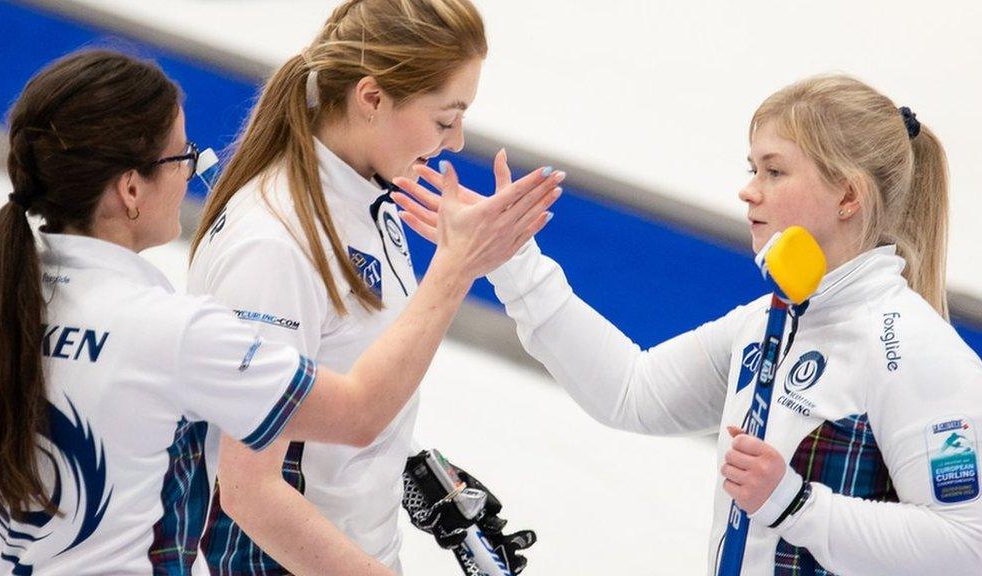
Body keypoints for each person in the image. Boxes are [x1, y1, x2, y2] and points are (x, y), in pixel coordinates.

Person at [0, 49, 558, 575]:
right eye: (181, 157)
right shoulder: (173, 331)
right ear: (130, 190)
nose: (195, 171)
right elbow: (355, 413)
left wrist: (399, 463)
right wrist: (456, 266)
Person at [394, 74, 982, 574]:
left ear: (847, 195)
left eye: (774, 172)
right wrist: (512, 262)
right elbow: (632, 392)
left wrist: (796, 505)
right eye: (752, 167)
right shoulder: (769, 321)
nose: (748, 191)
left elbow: (968, 545)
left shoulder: (913, 349)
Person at [187, 0, 553, 573]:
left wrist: (411, 468)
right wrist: (456, 268)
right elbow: (248, 491)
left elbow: (333, 383)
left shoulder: (368, 197)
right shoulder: (276, 245)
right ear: (372, 98)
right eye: (444, 118)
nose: (456, 142)